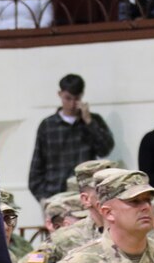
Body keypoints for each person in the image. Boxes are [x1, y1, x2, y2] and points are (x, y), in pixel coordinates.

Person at [28, 74, 115, 204]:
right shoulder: (48, 125)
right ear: (60, 94)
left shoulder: (93, 120)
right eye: (68, 98)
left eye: (76, 99)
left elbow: (105, 149)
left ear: (82, 96)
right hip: (55, 195)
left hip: (86, 194)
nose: (72, 104)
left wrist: (89, 122)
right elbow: (37, 165)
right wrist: (43, 197)